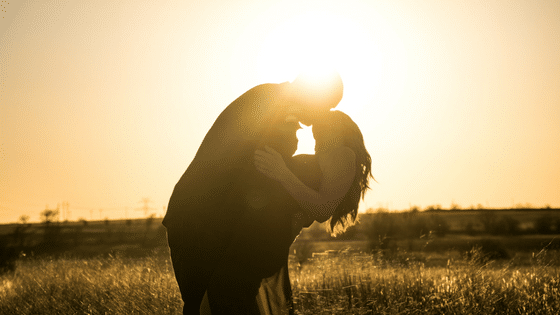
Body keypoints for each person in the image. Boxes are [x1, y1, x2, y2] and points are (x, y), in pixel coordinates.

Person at [163, 71, 344, 315]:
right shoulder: (270, 105)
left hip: (207, 218)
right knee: (213, 303)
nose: (315, 121)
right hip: (201, 220)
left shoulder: (273, 103)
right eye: (324, 107)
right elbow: (262, 171)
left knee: (218, 303)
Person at [205, 109, 373, 314]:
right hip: (257, 241)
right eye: (315, 131)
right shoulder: (322, 158)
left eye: (322, 128)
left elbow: (322, 210)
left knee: (231, 296)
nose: (316, 133)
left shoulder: (344, 154)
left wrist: (282, 172)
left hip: (261, 246)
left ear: (339, 130)